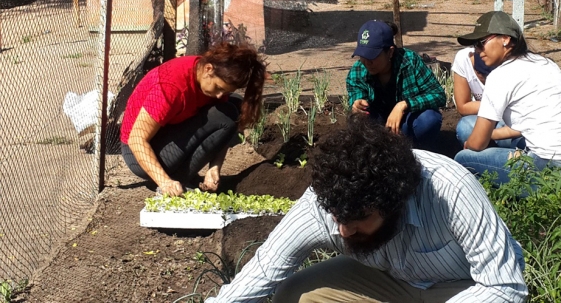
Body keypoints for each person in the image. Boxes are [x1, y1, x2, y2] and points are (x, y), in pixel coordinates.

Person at [207, 114, 528, 302]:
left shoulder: (450, 189)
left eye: (359, 219)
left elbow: (505, 285)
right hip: (387, 279)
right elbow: (266, 268)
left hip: (460, 289)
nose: (343, 230)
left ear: (395, 201)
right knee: (296, 294)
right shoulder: (326, 202)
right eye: (337, 217)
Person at [453, 11, 561, 189]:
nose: (477, 51)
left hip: (557, 171)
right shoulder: (546, 64)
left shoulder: (500, 75)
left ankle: (500, 207)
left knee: (463, 159)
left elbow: (477, 144)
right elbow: (525, 125)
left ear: (505, 39)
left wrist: (471, 143)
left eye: (481, 43)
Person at [120, 42, 266, 196]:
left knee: (234, 104)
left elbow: (224, 127)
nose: (219, 95)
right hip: (137, 155)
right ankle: (178, 179)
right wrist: (164, 181)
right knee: (226, 113)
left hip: (165, 135)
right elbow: (136, 139)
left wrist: (214, 167)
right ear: (208, 69)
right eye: (218, 88)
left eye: (223, 91)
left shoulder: (204, 72)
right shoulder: (171, 86)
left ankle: (180, 175)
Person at [347, 20, 445, 148]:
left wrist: (404, 105)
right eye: (362, 56)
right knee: (356, 121)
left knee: (429, 119)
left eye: (372, 56)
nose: (366, 62)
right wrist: (357, 104)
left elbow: (438, 95)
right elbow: (357, 97)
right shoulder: (358, 70)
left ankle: (418, 151)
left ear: (390, 52)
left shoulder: (410, 61)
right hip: (378, 128)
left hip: (406, 125)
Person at [451, 40, 525, 149]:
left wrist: (486, 136)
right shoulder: (464, 58)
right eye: (480, 74)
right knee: (465, 128)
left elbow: (523, 122)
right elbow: (463, 107)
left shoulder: (514, 67)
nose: (483, 79)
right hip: (487, 117)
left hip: (512, 121)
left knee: (518, 140)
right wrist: (497, 105)